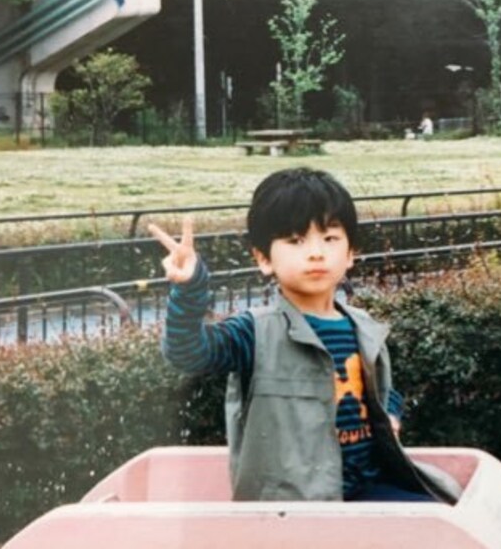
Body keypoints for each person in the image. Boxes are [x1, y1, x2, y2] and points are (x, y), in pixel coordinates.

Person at [149, 167, 459, 504]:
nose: (316, 252)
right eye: (296, 240)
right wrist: (190, 288)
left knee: (449, 511)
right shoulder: (255, 331)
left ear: (350, 253)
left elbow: (383, 390)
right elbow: (188, 353)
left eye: (330, 238)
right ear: (264, 259)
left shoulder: (363, 326)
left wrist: (391, 414)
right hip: (295, 507)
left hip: (368, 491)